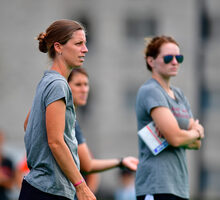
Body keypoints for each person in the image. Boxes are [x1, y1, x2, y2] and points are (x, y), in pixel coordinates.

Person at [20, 19, 95, 200]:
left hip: (39, 189)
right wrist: (81, 186)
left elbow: (28, 124)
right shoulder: (58, 85)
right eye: (78, 44)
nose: (85, 49)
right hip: (48, 191)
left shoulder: (47, 80)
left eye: (85, 43)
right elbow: (55, 141)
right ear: (58, 47)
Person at [135, 35, 205, 200]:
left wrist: (187, 136)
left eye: (178, 57)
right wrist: (197, 131)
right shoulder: (151, 91)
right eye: (168, 58)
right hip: (156, 185)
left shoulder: (179, 94)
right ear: (151, 61)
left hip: (179, 186)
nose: (175, 62)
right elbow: (175, 138)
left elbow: (196, 144)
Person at [67, 68, 139, 183]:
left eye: (86, 85)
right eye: (78, 85)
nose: (84, 90)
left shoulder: (72, 120)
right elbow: (87, 165)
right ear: (66, 87)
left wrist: (121, 162)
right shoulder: (66, 118)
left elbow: (88, 164)